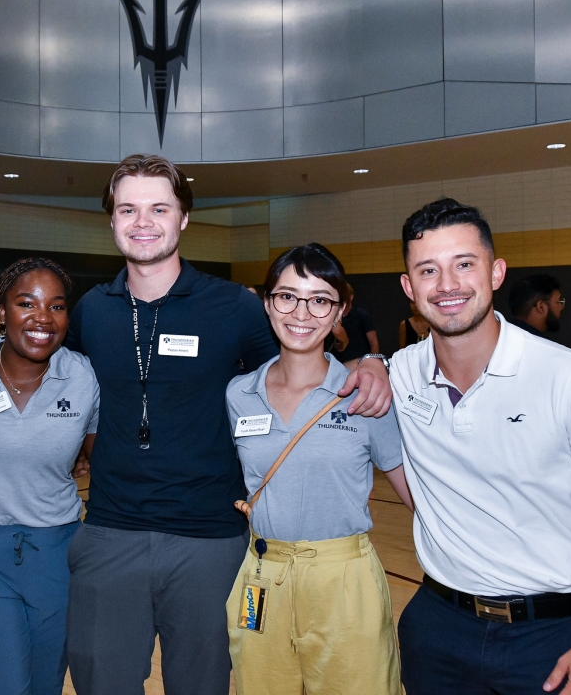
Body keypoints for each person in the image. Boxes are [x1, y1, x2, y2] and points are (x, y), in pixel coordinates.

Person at [63, 154, 393, 695]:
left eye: (158, 208)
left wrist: (373, 362)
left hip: (210, 542)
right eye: (128, 208)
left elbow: (302, 361)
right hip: (110, 533)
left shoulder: (234, 307)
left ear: (184, 218)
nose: (143, 221)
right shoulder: (92, 310)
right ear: (112, 219)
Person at [389, 199, 571, 695]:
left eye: (464, 264)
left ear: (495, 272)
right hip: (438, 628)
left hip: (551, 636)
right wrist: (366, 361)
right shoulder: (399, 375)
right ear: (409, 287)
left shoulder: (570, 377)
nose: (447, 285)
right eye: (428, 270)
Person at [225, 244, 412, 695]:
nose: (301, 313)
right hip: (261, 577)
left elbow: (417, 497)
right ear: (268, 303)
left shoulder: (364, 395)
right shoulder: (238, 394)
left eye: (320, 299)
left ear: (340, 309)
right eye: (287, 296)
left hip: (344, 581)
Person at [0, 258, 98, 695]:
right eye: (27, 303)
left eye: (57, 306)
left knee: (45, 683)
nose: (42, 317)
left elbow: (104, 462)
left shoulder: (84, 377)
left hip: (56, 555)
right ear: (1, 310)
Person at [331, 282, 379, 363]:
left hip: (358, 362)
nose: (341, 298)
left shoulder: (362, 315)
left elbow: (374, 342)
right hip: (337, 363)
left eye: (343, 294)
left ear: (351, 297)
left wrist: (371, 363)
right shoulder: (332, 315)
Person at [509, 273, 565, 338]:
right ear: (541, 307)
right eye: (558, 302)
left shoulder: (503, 337)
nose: (561, 307)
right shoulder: (539, 346)